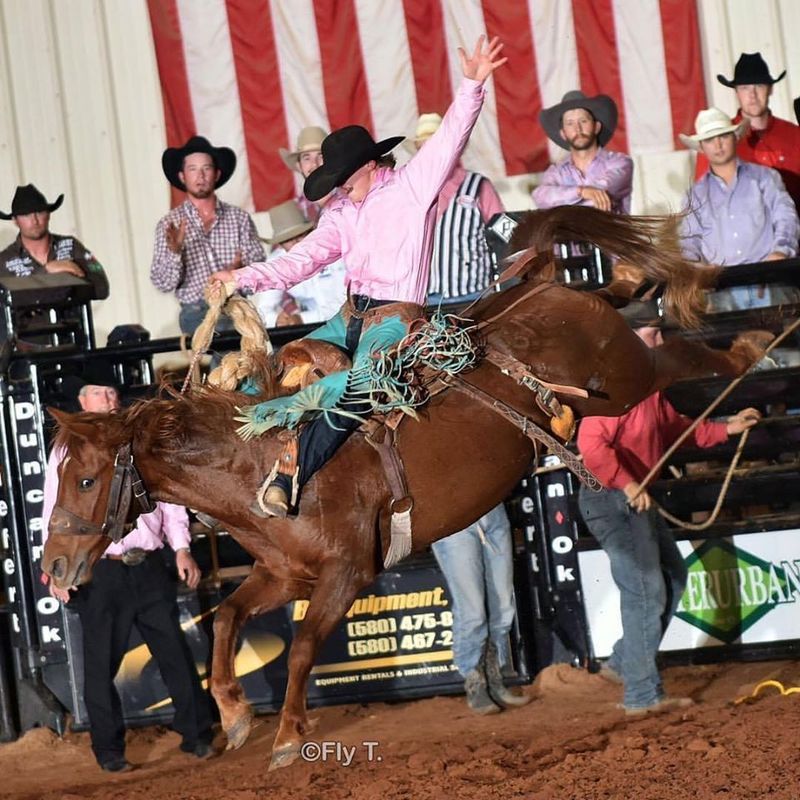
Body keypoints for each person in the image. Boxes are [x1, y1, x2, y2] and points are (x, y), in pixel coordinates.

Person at [209, 35, 507, 518]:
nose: (339, 186)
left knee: (361, 385)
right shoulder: (342, 212)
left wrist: (472, 84)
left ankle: (295, 473)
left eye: (344, 175)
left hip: (397, 318)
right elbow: (297, 262)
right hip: (351, 314)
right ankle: (229, 447)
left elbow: (452, 136)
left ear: (370, 164)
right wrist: (239, 277)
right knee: (285, 363)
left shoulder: (413, 186)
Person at [577, 323, 761, 716]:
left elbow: (677, 430)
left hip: (627, 496)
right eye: (652, 334)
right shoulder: (615, 388)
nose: (661, 341)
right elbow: (591, 446)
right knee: (648, 589)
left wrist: (727, 427)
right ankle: (641, 694)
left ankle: (625, 663)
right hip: (614, 497)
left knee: (672, 578)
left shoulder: (647, 390)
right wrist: (627, 485)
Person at [42, 368, 213, 771]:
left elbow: (170, 501)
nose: (110, 398)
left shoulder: (138, 443)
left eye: (111, 391)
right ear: (83, 403)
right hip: (102, 572)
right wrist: (55, 569)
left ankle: (198, 734)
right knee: (99, 666)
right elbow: (54, 510)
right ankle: (109, 751)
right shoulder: (68, 450)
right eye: (100, 393)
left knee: (174, 652)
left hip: (149, 565)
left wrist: (182, 549)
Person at [679, 107, 800, 310]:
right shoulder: (695, 196)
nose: (718, 145)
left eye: (723, 136)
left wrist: (780, 252)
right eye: (710, 139)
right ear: (702, 146)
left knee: (784, 339)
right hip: (723, 286)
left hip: (770, 279)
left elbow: (786, 216)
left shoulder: (765, 178)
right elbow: (688, 242)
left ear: (735, 137)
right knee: (728, 340)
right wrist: (699, 270)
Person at [150, 136, 265, 335]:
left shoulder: (238, 218)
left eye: (206, 168)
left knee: (258, 334)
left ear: (217, 174)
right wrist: (175, 253)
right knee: (224, 334)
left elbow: (259, 266)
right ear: (182, 176)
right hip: (195, 310)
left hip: (235, 304)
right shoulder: (170, 225)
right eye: (193, 169)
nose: (200, 176)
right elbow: (162, 283)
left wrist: (239, 270)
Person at [431, 503, 530, 714]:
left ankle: (493, 678)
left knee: (503, 607)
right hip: (454, 516)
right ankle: (475, 679)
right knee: (472, 610)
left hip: (492, 509)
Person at [409, 112, 504, 303]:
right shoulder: (409, 189)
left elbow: (505, 233)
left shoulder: (478, 186)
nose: (431, 153)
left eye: (437, 145)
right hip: (424, 297)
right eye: (425, 147)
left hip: (474, 294)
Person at [695, 52, 800, 211]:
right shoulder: (716, 140)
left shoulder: (794, 135)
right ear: (736, 92)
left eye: (759, 86)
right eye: (745, 88)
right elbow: (703, 200)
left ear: (770, 89)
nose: (752, 95)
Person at [0, 184, 109, 300]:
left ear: (48, 215)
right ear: (15, 221)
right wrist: (47, 271)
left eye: (40, 212)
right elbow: (5, 302)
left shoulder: (70, 246)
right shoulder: (5, 260)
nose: (35, 220)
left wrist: (79, 277)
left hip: (72, 317)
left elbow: (102, 289)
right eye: (26, 215)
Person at [532, 91, 633, 214]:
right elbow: (540, 197)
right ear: (563, 134)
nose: (577, 129)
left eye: (583, 121)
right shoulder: (556, 171)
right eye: (570, 123)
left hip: (609, 233)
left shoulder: (620, 163)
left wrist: (562, 198)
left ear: (596, 127)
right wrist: (581, 192)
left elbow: (602, 192)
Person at [250, 200, 346, 328]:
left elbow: (345, 303)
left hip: (349, 321)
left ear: (310, 232)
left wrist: (303, 319)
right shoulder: (276, 263)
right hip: (311, 329)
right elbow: (262, 309)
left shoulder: (333, 250)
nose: (296, 243)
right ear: (280, 244)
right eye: (288, 239)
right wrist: (277, 320)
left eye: (300, 235)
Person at [279, 126, 329, 224]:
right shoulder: (295, 210)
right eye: (307, 158)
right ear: (299, 166)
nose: (315, 164)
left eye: (321, 156)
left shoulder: (348, 196)